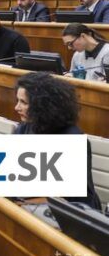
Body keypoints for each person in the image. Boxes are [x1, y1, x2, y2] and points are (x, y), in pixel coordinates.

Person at [14, 72, 101, 209]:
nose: (16, 107)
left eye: (23, 102)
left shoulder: (72, 139)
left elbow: (69, 197)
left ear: (42, 105)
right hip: (29, 204)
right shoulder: (24, 128)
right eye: (18, 101)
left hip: (72, 211)